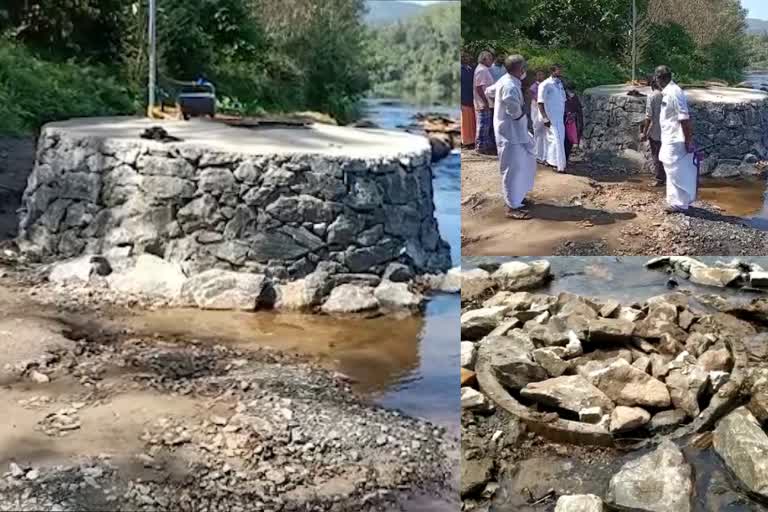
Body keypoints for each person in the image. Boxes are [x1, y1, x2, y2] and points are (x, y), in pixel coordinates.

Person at [492, 54, 537, 220]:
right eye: (524, 67)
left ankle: (517, 198)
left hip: (515, 132)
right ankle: (512, 206)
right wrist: (522, 114)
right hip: (510, 134)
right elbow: (514, 111)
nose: (526, 70)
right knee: (511, 170)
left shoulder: (506, 80)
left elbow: (490, 91)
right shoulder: (509, 85)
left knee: (521, 166)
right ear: (520, 69)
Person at [655, 65, 697, 213]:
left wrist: (688, 140)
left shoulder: (675, 92)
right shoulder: (667, 92)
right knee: (670, 169)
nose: (655, 80)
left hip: (675, 139)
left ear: (661, 78)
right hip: (669, 137)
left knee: (677, 170)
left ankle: (680, 203)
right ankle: (674, 201)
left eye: (656, 77)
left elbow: (684, 118)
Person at [538, 64, 567, 172]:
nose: (561, 72)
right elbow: (540, 102)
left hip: (559, 116)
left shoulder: (559, 84)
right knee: (556, 139)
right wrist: (545, 117)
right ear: (552, 71)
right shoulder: (545, 84)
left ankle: (551, 161)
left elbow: (563, 99)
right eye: (559, 70)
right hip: (551, 116)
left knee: (555, 139)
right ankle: (559, 165)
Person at [640, 79, 666, 187]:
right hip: (667, 131)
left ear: (652, 86)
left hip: (655, 131)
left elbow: (648, 116)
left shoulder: (652, 96)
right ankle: (667, 178)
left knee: (656, 155)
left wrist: (644, 132)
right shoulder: (665, 95)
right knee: (666, 155)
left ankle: (659, 179)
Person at [474, 50, 497, 155]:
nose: (491, 61)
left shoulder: (484, 69)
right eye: (490, 59)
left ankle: (486, 146)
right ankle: (480, 147)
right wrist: (485, 102)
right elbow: (479, 88)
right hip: (483, 103)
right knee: (483, 125)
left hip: (486, 102)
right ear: (484, 59)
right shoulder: (482, 70)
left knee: (487, 125)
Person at [563, 81, 584, 165]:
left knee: (570, 141)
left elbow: (579, 110)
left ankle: (566, 159)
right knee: (565, 141)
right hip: (566, 121)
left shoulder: (575, 97)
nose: (571, 92)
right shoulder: (564, 97)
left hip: (574, 121)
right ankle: (563, 159)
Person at [529, 70, 548, 163]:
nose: (541, 76)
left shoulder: (546, 85)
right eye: (539, 74)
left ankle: (545, 155)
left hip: (545, 109)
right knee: (538, 131)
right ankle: (537, 154)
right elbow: (537, 99)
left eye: (542, 74)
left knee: (546, 133)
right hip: (537, 109)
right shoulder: (533, 87)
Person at [460, 52, 477, 148]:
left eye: (467, 56)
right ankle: (465, 141)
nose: (466, 58)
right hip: (463, 99)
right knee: (465, 122)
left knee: (471, 121)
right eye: (464, 57)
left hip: (471, 98)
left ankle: (471, 140)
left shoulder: (470, 69)